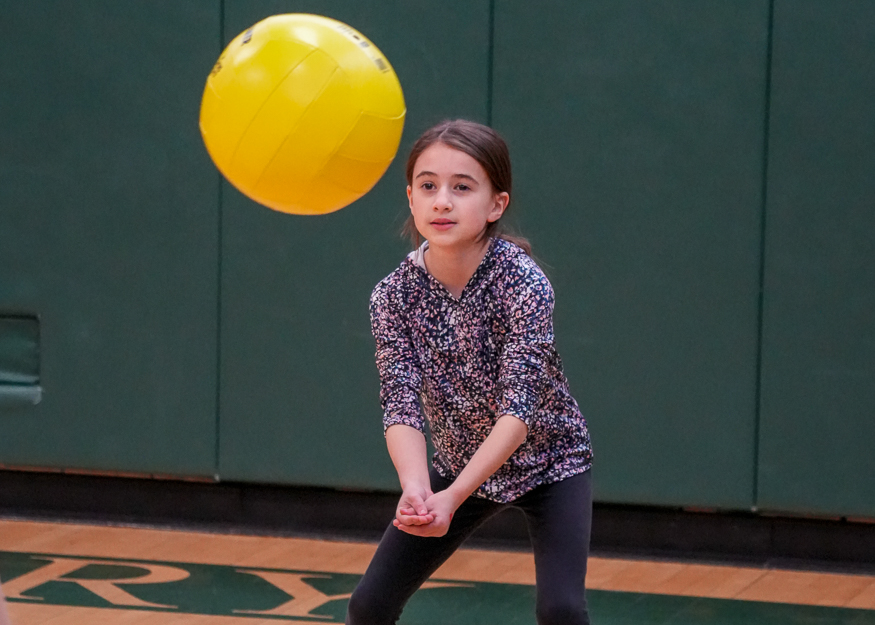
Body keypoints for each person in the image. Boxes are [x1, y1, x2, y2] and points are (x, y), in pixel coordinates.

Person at [346, 120, 594, 625]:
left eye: (462, 187)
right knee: (369, 605)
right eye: (428, 185)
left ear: (496, 205)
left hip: (552, 463)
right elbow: (400, 402)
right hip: (457, 460)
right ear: (411, 198)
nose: (442, 201)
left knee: (562, 610)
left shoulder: (523, 284)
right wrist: (418, 489)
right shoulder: (393, 295)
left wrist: (451, 500)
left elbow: (517, 413)